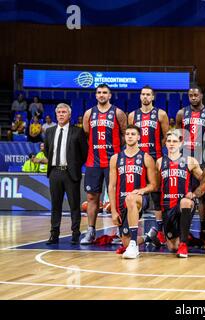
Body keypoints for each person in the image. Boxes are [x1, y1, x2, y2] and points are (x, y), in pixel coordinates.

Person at [80, 84, 127, 244]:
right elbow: (87, 134)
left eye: (104, 92)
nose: (101, 95)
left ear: (110, 95)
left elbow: (124, 135)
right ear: (95, 95)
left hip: (113, 162)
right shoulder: (88, 113)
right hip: (93, 162)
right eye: (99, 92)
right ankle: (91, 231)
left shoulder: (118, 113)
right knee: (92, 197)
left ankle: (121, 231)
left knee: (117, 196)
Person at [176, 86, 205, 244]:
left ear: (201, 95)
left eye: (196, 95)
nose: (193, 97)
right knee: (185, 192)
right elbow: (179, 134)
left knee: (202, 195)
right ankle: (183, 232)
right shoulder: (182, 113)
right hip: (186, 156)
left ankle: (203, 230)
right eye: (190, 95)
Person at [128, 86, 169, 246]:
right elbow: (130, 135)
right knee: (136, 192)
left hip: (155, 157)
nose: (145, 97)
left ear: (152, 97)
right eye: (143, 94)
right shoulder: (133, 115)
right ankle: (131, 230)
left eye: (148, 95)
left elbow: (166, 136)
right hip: (137, 158)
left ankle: (159, 231)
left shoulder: (160, 114)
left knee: (156, 194)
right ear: (140, 97)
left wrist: (157, 152)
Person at [108, 125, 157, 259]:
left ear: (139, 137)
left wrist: (142, 190)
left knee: (131, 198)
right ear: (124, 137)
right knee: (125, 241)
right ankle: (148, 237)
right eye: (127, 134)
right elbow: (111, 186)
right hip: (122, 201)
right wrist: (113, 211)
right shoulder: (115, 158)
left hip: (141, 199)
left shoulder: (146, 158)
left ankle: (134, 245)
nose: (130, 136)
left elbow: (153, 185)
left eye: (133, 134)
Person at [44, 103, 88, 245]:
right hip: (54, 172)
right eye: (59, 112)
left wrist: (74, 166)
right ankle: (54, 234)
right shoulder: (49, 131)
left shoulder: (77, 131)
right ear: (56, 115)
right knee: (55, 205)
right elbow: (47, 151)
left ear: (69, 115)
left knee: (74, 205)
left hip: (71, 173)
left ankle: (75, 234)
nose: (61, 114)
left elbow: (84, 153)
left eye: (64, 112)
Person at [155, 129, 203, 258]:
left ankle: (184, 244)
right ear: (165, 144)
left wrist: (195, 194)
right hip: (167, 206)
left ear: (180, 143)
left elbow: (204, 180)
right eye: (169, 141)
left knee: (185, 201)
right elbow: (157, 187)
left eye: (175, 141)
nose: (171, 144)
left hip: (183, 204)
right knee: (172, 247)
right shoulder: (160, 162)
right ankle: (182, 238)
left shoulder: (190, 161)